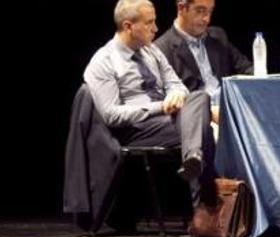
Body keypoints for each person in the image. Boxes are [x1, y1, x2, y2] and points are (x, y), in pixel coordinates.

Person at [84, 0, 217, 210]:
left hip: (167, 120)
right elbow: (111, 115)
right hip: (136, 129)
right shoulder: (103, 61)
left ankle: (193, 158)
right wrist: (160, 107)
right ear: (128, 26)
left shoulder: (151, 51)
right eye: (149, 23)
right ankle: (206, 208)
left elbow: (177, 85)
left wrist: (175, 95)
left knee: (199, 97)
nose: (155, 28)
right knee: (204, 130)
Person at [154, 0, 253, 124]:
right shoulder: (161, 49)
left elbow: (245, 67)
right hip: (199, 117)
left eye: (210, 11)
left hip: (231, 104)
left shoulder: (218, 35)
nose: (207, 18)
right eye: (200, 11)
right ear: (181, 8)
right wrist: (210, 113)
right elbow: (171, 100)